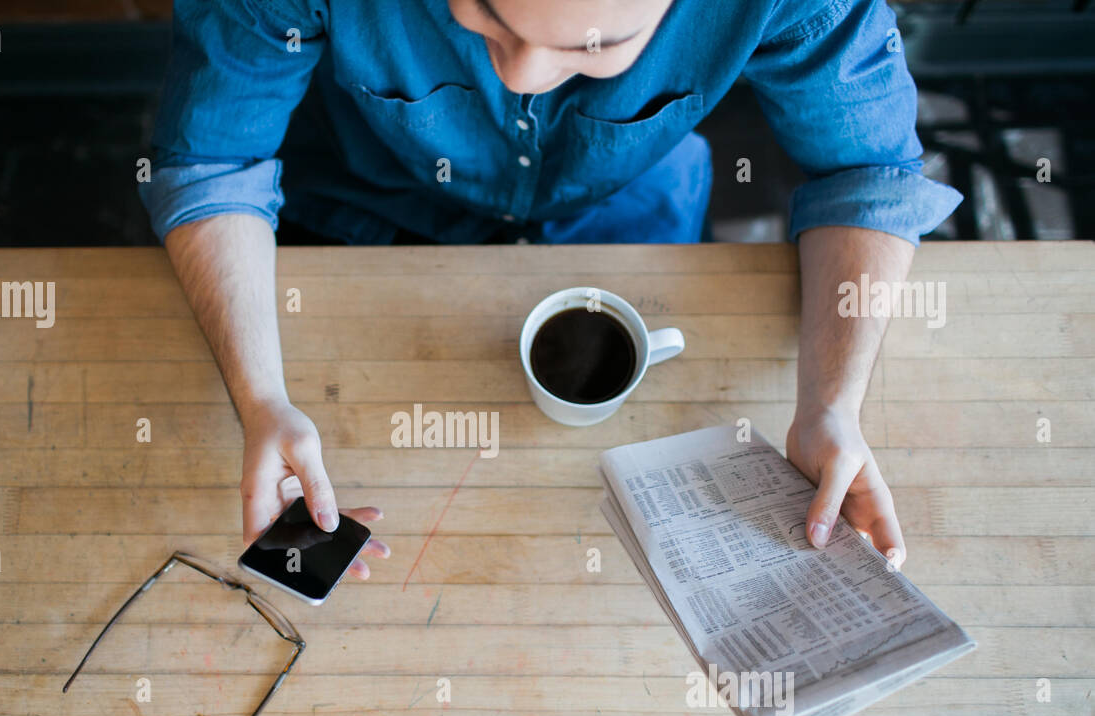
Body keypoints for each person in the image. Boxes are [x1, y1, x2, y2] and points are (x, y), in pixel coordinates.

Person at [139, 0, 963, 579]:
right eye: (485, 15)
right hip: (362, 224)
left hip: (627, 221)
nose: (527, 77)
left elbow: (866, 171)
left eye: (596, 47)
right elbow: (213, 160)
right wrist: (260, 398)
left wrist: (831, 403)